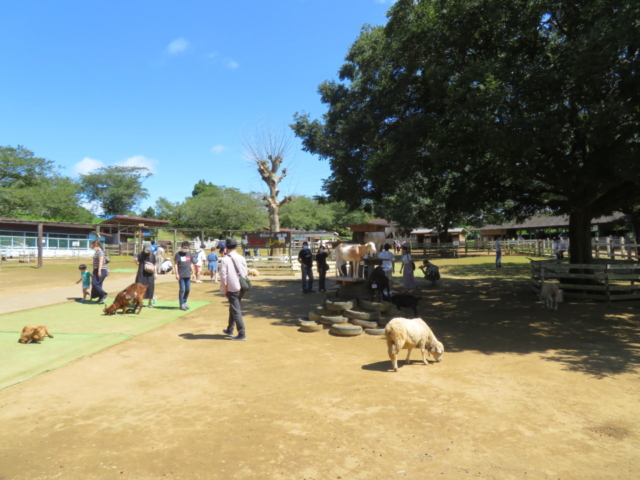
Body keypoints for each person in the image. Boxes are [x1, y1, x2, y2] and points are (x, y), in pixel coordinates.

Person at [220, 237, 248, 341]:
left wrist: (225, 289)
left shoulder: (225, 260)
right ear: (236, 246)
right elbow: (245, 272)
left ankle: (242, 333)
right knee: (233, 307)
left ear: (226, 247)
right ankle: (229, 329)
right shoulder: (241, 258)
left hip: (232, 287)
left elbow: (223, 276)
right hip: (242, 286)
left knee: (236, 310)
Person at [134, 241, 157, 308]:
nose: (147, 250)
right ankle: (139, 303)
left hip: (150, 274)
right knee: (139, 287)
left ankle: (150, 302)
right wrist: (136, 262)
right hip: (141, 273)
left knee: (150, 287)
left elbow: (155, 264)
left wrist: (156, 273)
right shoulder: (140, 254)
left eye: (149, 249)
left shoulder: (153, 255)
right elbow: (138, 263)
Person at [174, 240, 196, 311]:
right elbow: (176, 264)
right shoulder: (178, 254)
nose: (185, 249)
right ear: (181, 247)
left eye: (186, 248)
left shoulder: (189, 254)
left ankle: (184, 301)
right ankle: (181, 304)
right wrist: (177, 273)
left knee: (188, 289)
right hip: (181, 275)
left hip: (187, 275)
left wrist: (193, 273)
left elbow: (191, 264)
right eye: (184, 247)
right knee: (182, 289)